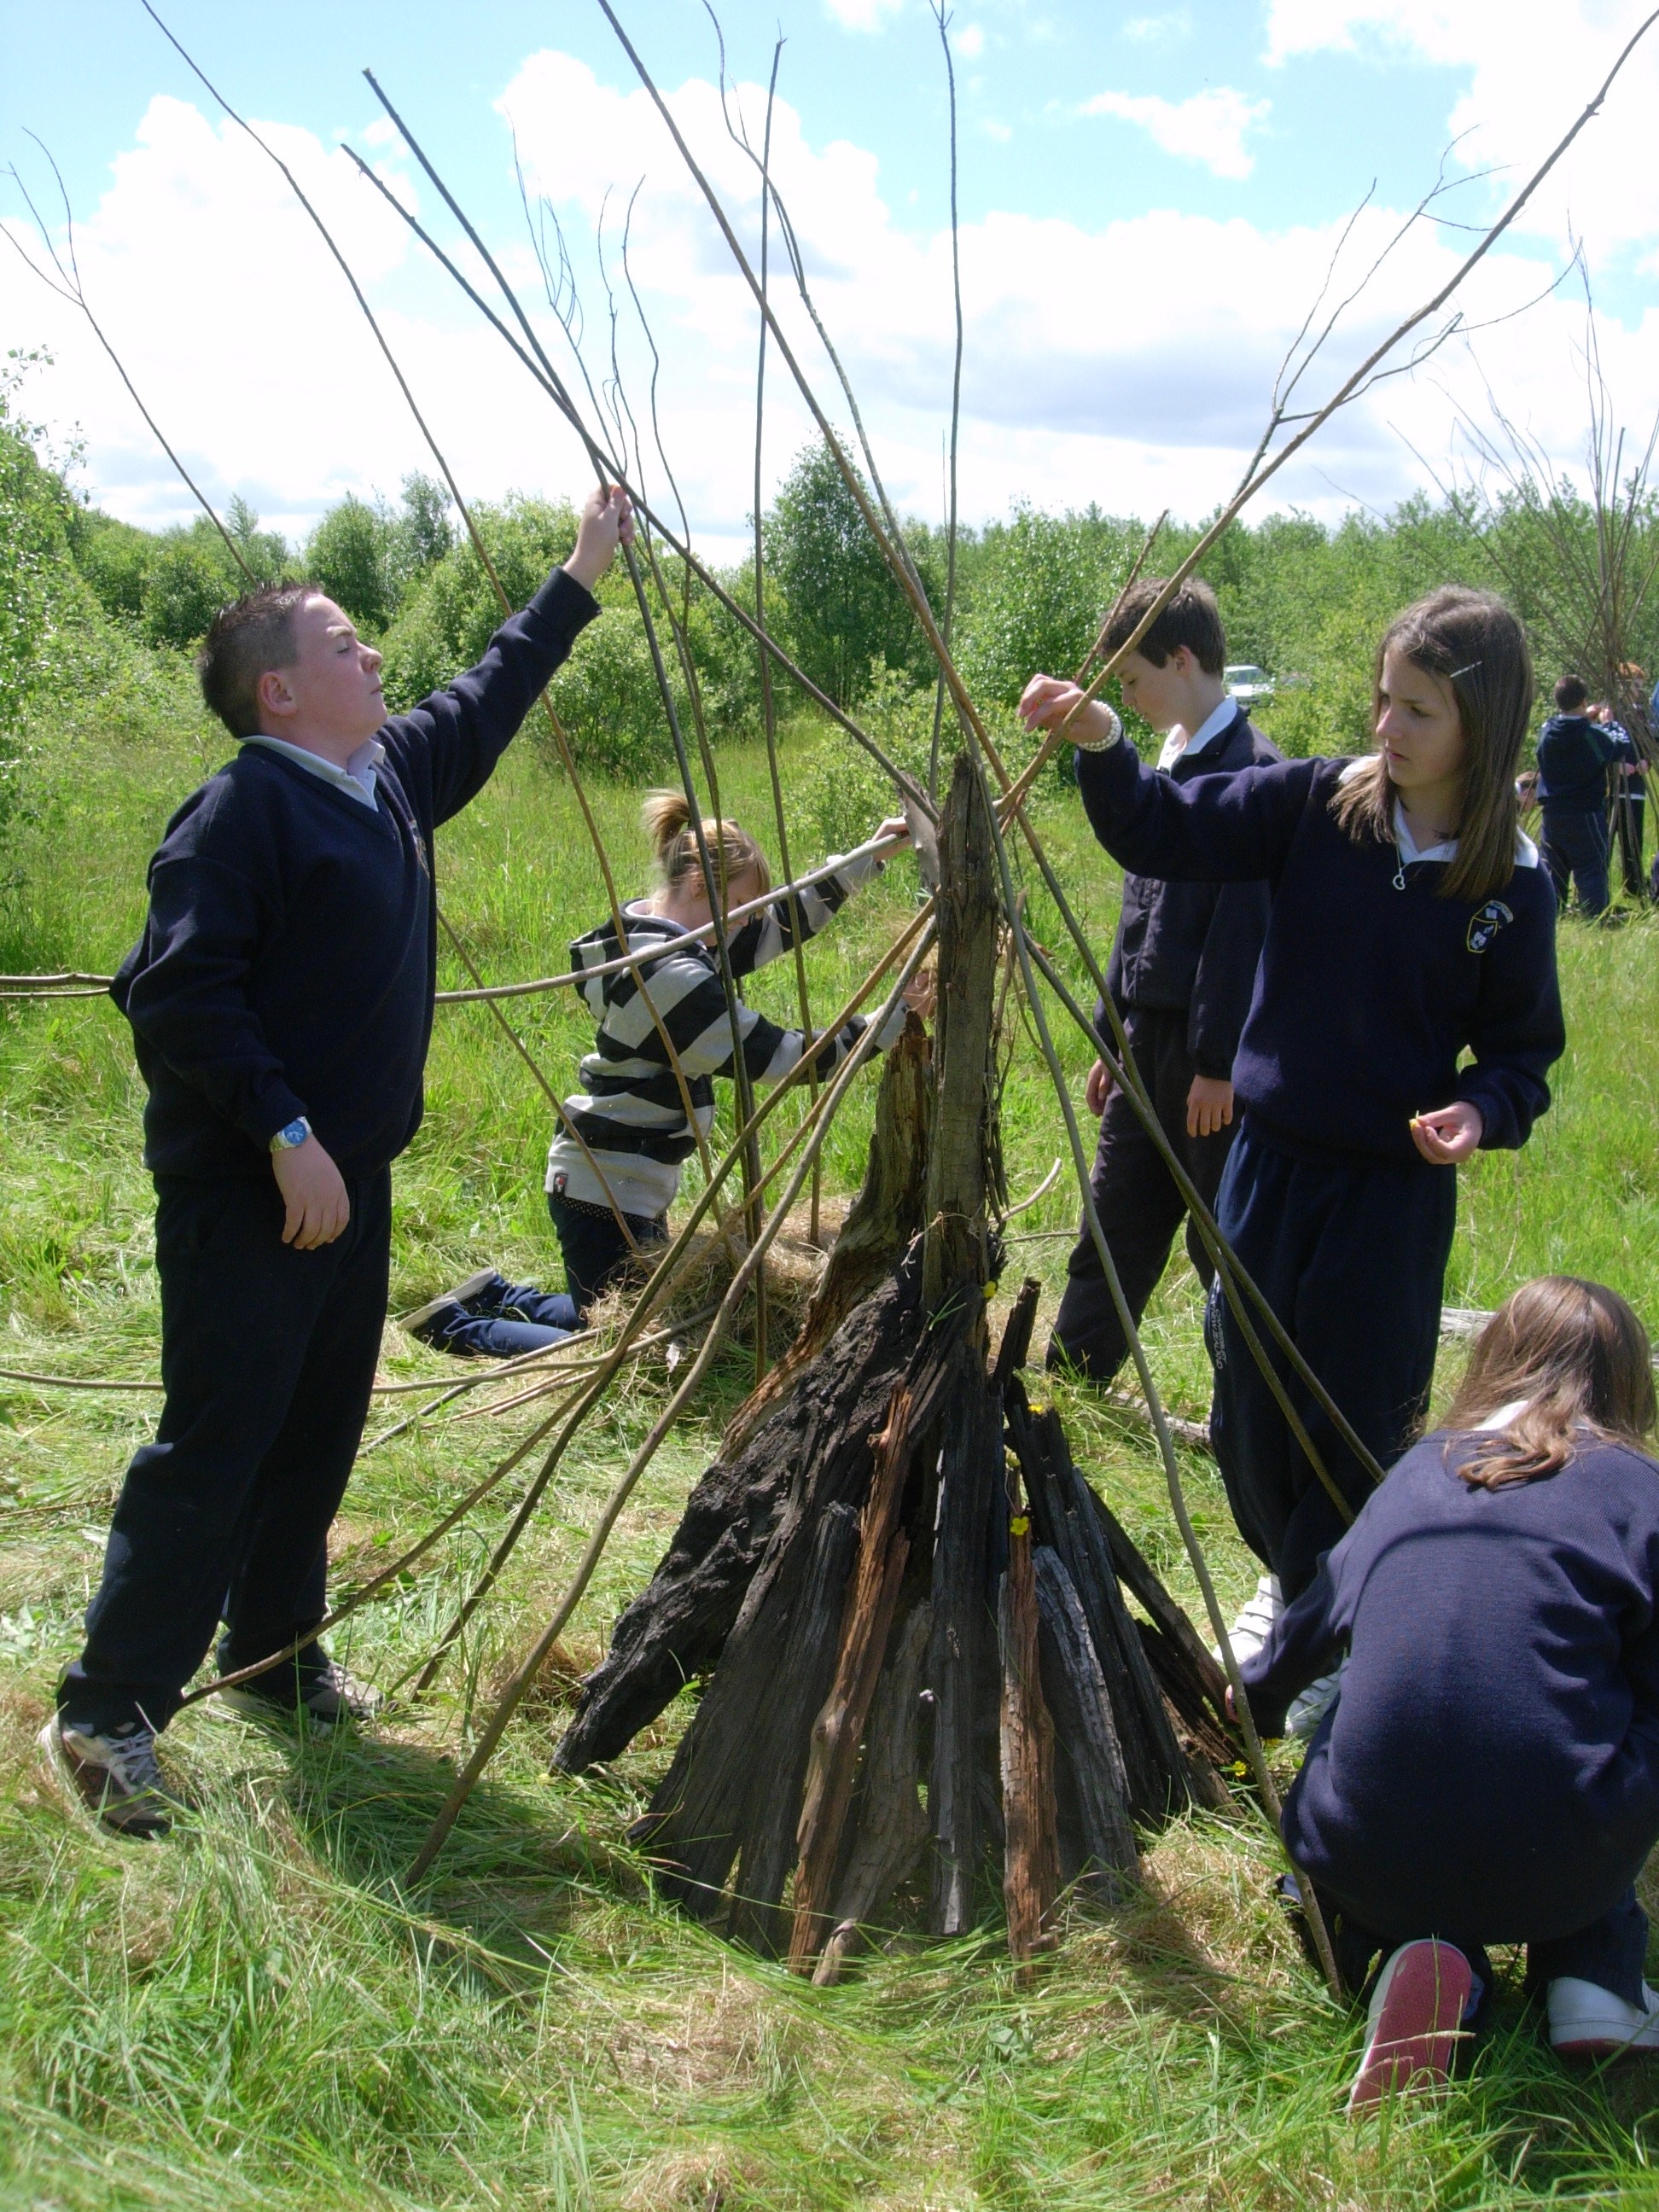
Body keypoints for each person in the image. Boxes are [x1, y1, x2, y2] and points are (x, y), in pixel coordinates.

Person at [42, 485, 635, 1836]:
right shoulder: (242, 812)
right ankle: (106, 1711)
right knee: (219, 1442)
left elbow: (488, 696)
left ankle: (274, 1656)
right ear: (280, 691)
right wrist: (286, 1133)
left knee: (316, 1433)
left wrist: (579, 575)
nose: (374, 658)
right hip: (257, 1190)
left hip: (343, 1183)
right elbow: (182, 993)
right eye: (347, 643)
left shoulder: (381, 779)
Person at [1020, 586, 1565, 1656]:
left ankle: (1322, 1622)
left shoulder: (1511, 887)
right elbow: (1159, 827)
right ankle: (1291, 1572)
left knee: (1357, 1416)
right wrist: (1102, 739)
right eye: (1381, 698)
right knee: (1249, 1413)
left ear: (1480, 728)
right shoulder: (1317, 808)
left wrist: (1481, 1109)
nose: (1385, 727)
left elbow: (1522, 1057)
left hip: (1387, 1198)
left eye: (1417, 711)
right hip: (1265, 1172)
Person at [1236, 1278, 1659, 2109]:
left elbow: (1305, 1637)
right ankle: (1595, 1978)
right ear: (1629, 1384)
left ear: (1493, 1361)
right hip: (1569, 1849)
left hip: (1371, 1842)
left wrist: (1248, 1707)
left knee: (1360, 1708)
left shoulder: (1415, 1475)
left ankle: (1401, 1957)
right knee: (1579, 1720)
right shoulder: (1641, 1495)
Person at [541, 795, 931, 1320]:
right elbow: (784, 1058)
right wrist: (884, 1024)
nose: (751, 923)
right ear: (701, 884)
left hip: (626, 1179)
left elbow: (786, 921)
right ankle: (461, 1319)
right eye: (744, 906)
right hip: (604, 1188)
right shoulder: (666, 978)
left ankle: (493, 1297)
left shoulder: (664, 934)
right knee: (614, 1343)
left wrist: (872, 855)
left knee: (627, 1321)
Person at [1045, 577, 1280, 1384]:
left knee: (1220, 1238)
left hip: (1207, 1058)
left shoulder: (1253, 772)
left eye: (1135, 680)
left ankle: (1246, 1408)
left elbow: (1241, 932)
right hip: (1146, 1042)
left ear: (1182, 660)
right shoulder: (1164, 768)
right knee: (1115, 1220)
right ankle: (1069, 1388)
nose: (1131, 698)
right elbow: (1137, 918)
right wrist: (1112, 1038)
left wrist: (1217, 1062)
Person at [1535, 674, 1631, 918]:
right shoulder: (1593, 735)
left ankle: (1551, 916)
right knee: (1591, 868)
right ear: (1583, 699)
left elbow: (1566, 725)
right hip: (1584, 812)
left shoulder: (1547, 731)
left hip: (1552, 814)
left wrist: (1583, 716)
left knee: (1553, 869)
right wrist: (1609, 722)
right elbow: (1620, 745)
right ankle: (1594, 918)